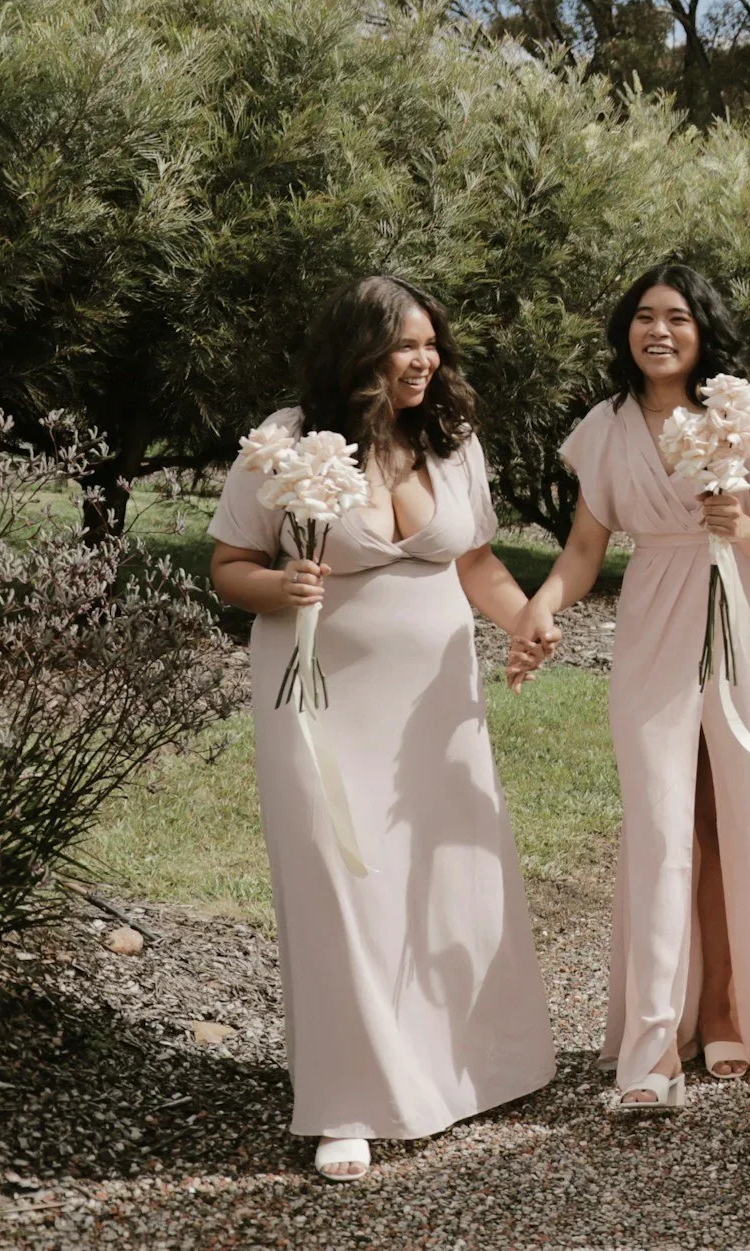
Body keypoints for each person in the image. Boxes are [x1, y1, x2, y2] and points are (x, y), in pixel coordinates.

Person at [208, 275, 555, 1183]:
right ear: (358, 349)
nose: (425, 359)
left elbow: (475, 559)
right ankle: (349, 1099)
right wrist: (278, 587)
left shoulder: (450, 439)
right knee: (336, 878)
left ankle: (475, 1065)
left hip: (432, 708)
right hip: (318, 699)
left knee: (444, 875)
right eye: (407, 344)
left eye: (431, 344)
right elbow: (228, 563)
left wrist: (524, 619)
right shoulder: (283, 443)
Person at [509, 264, 750, 1111]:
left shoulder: (747, 414)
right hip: (653, 619)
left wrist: (740, 523)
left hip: (748, 620)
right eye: (643, 317)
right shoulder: (605, 428)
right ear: (625, 332)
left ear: (702, 329)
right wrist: (541, 600)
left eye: (676, 317)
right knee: (659, 821)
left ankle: (731, 1009)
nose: (658, 331)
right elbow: (582, 549)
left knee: (743, 814)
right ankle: (651, 1042)